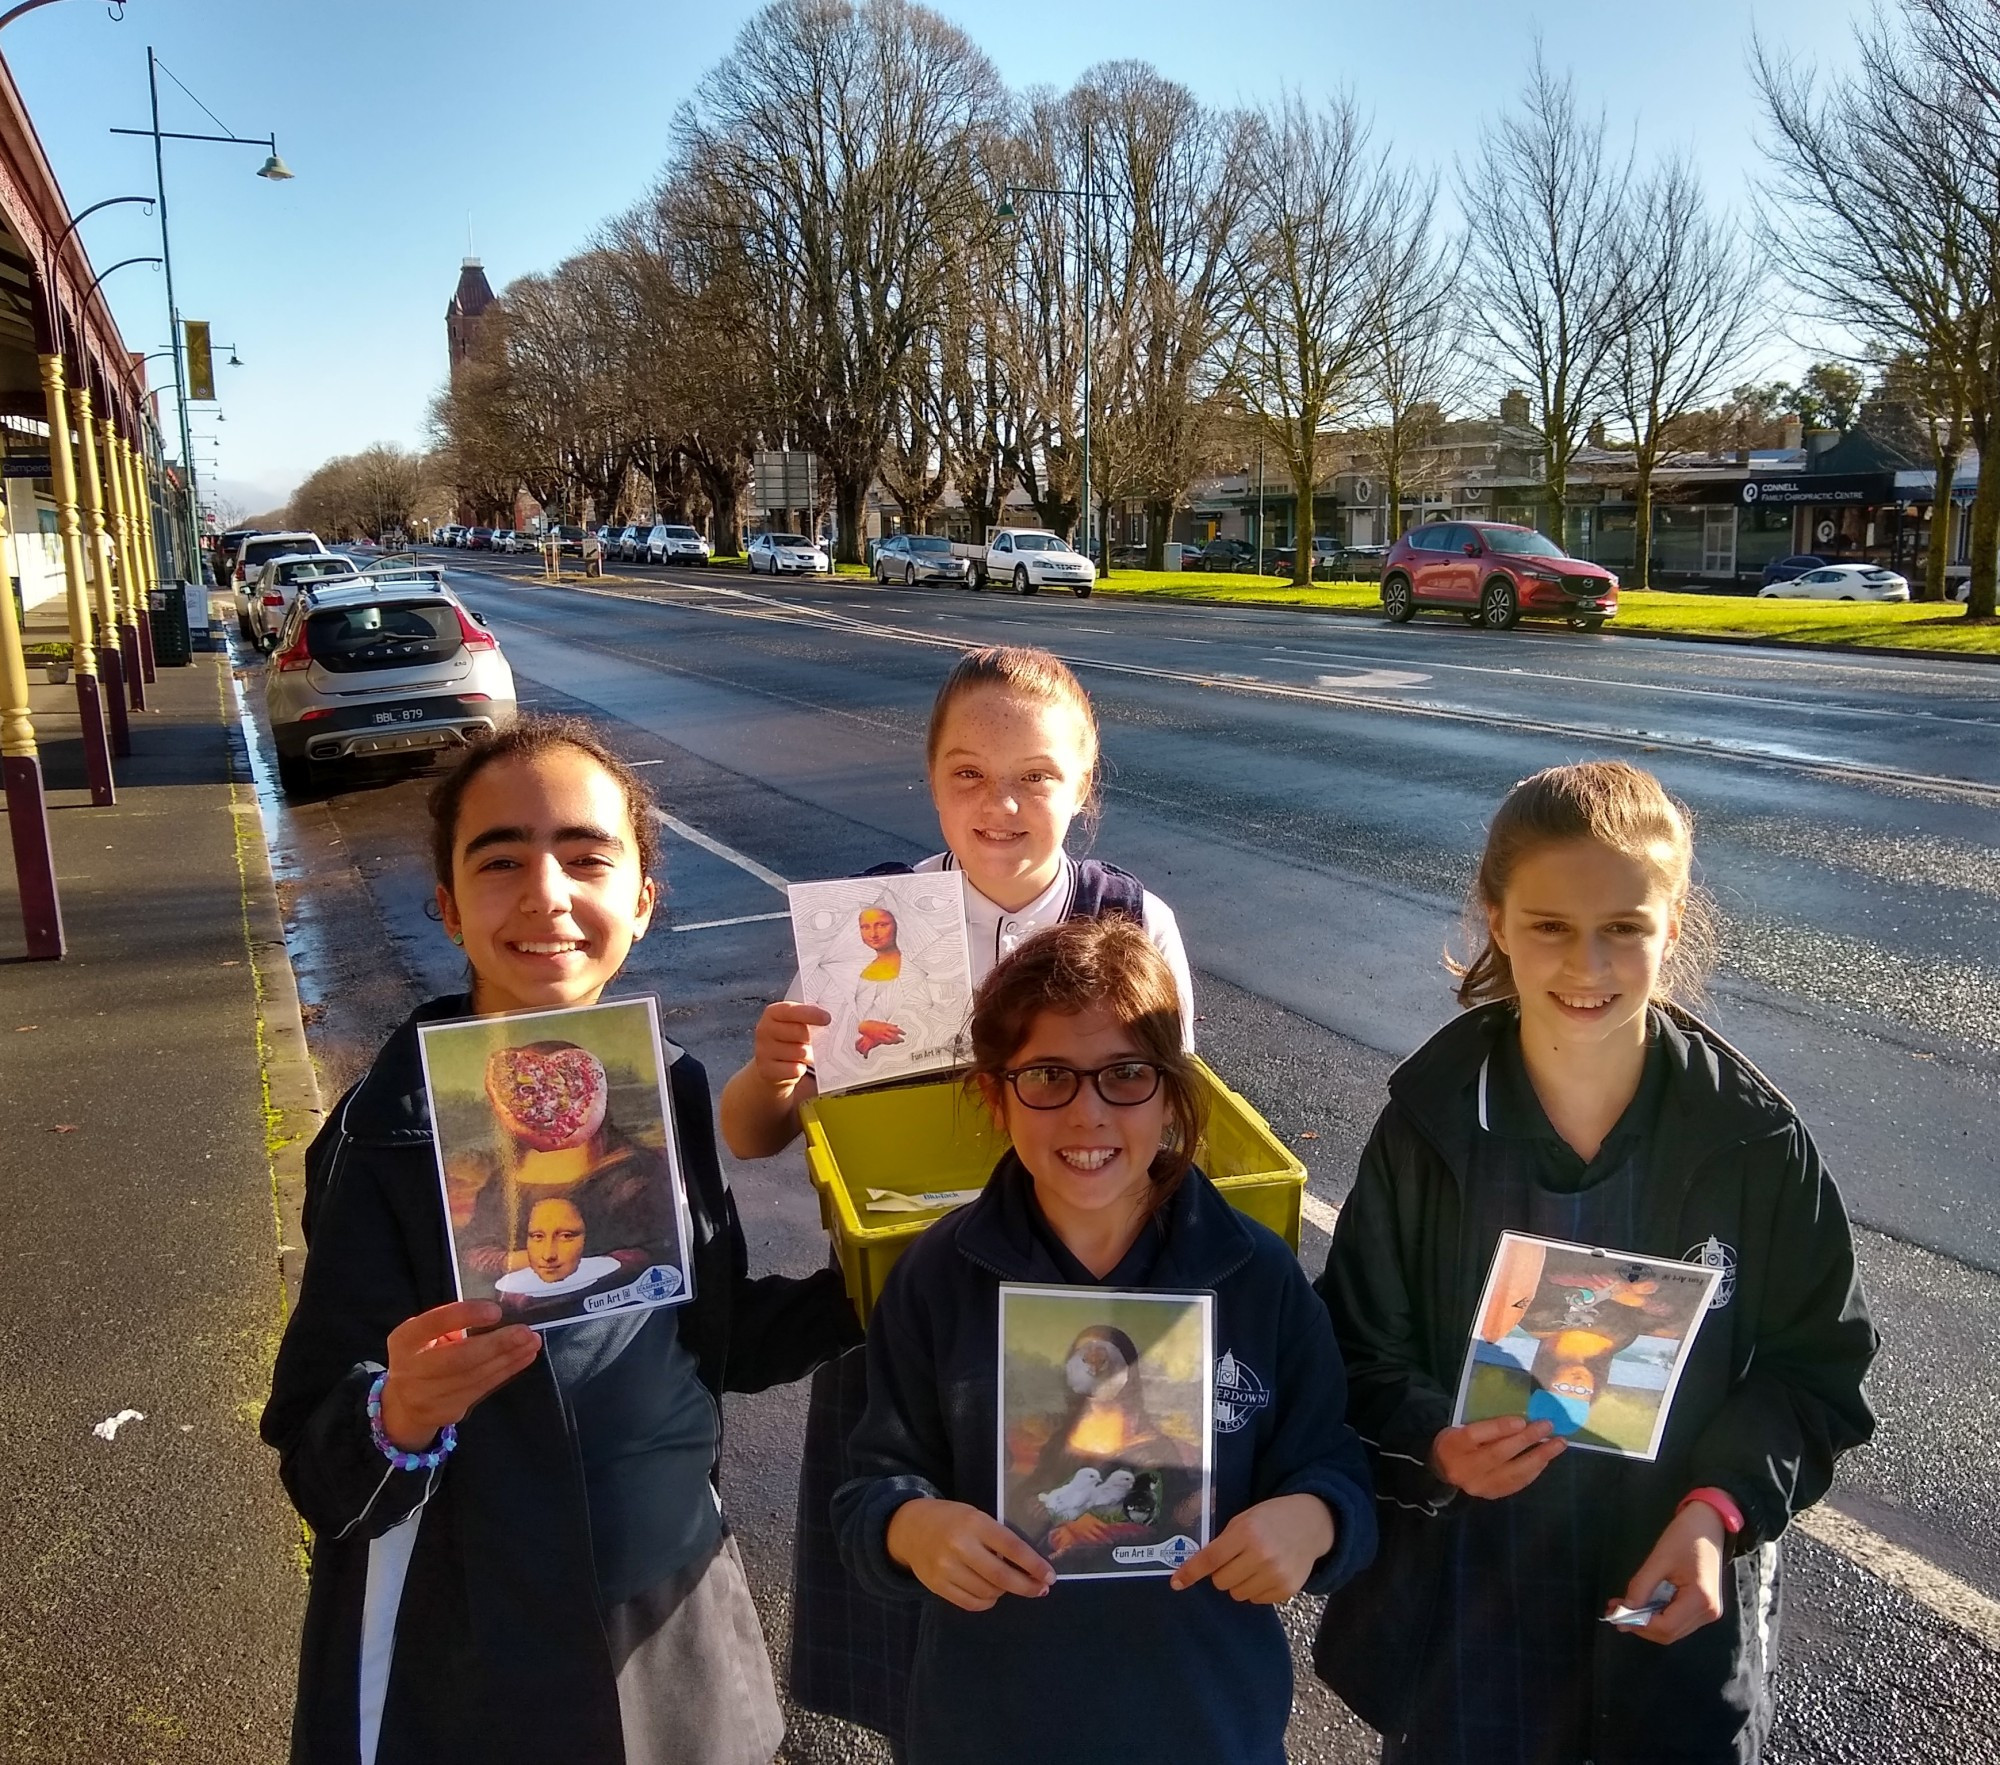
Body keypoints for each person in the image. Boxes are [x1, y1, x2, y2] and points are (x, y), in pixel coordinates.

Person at [261, 716, 862, 1765]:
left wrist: (874, 1284)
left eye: (586, 856)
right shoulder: (389, 1131)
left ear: (640, 899)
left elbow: (704, 1340)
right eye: (501, 860)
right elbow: (320, 1461)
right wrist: (394, 1413)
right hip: (473, 1648)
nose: (546, 892)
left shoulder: (659, 1086)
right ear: (446, 906)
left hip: (670, 1601)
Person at [1311, 760, 1879, 1765]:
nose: (1588, 963)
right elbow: (1350, 1351)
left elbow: (1814, 1372)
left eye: (1623, 926)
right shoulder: (1431, 1128)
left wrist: (1717, 1511)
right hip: (1472, 1616)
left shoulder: (1748, 1143)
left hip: (1657, 1602)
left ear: (1672, 924)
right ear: (1493, 917)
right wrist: (1433, 1442)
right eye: (1548, 926)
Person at [717, 644, 1197, 1748]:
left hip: (1070, 1312)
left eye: (1035, 774)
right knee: (918, 1609)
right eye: (967, 774)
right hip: (902, 1313)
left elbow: (1168, 1131)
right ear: (930, 783)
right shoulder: (870, 919)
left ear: (1082, 784)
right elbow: (751, 1133)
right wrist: (773, 1068)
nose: (1001, 803)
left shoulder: (1132, 923)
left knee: (1082, 1589)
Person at [833, 917, 1375, 1765]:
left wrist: (1314, 1520)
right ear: (994, 1092)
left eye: (1127, 1074)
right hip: (991, 1724)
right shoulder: (940, 1276)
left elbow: (1332, 1461)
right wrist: (911, 1525)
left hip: (1205, 1719)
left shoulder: (1253, 1274)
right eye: (1048, 1075)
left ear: (1172, 1091)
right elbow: (871, 1481)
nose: (1088, 1112)